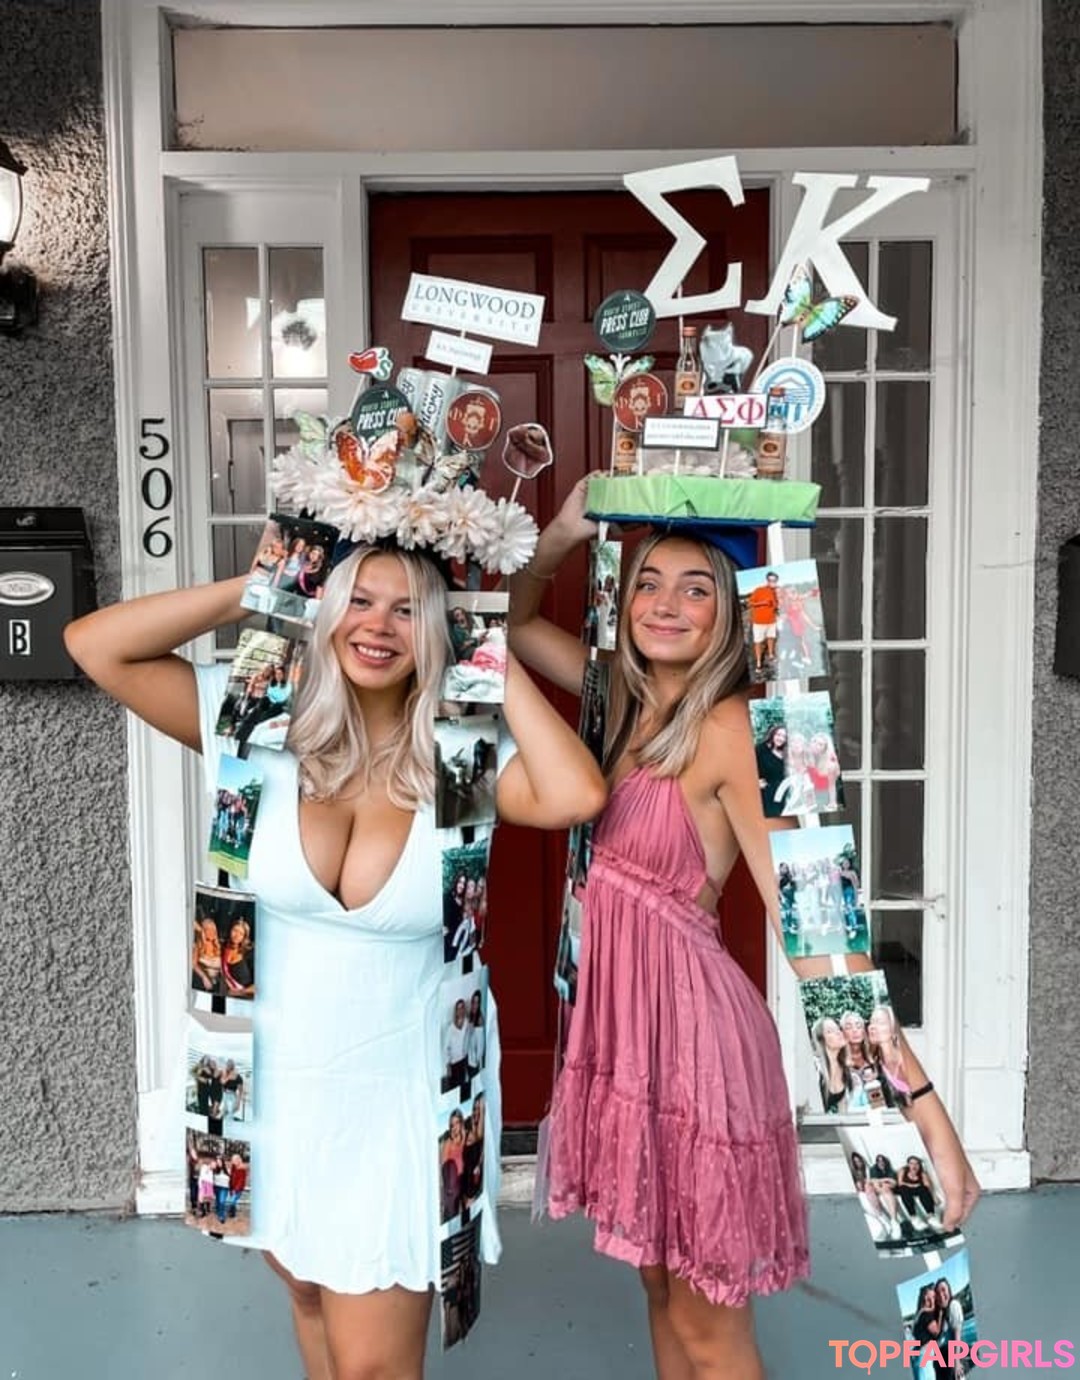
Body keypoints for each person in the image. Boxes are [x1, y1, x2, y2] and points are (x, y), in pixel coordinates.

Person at [64, 537, 606, 1380]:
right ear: (322, 609)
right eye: (359, 600)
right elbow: (95, 644)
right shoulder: (259, 727)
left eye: (408, 610)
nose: (379, 626)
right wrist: (265, 586)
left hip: (400, 1105)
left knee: (371, 1367)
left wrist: (487, 655)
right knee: (313, 1308)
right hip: (275, 1091)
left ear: (439, 628)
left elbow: (579, 793)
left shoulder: (460, 755)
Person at [507, 475, 978, 1378]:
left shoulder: (734, 732)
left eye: (696, 589)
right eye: (649, 583)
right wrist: (564, 531)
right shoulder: (618, 696)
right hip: (629, 1041)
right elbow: (519, 622)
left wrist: (923, 1113)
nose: (665, 605)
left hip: (696, 1047)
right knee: (659, 1290)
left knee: (709, 1329)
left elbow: (819, 939)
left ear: (731, 612)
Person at [745, 570, 780, 674]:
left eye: (775, 581)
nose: (773, 582)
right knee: (758, 642)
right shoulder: (759, 590)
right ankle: (759, 663)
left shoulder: (775, 592)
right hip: (759, 622)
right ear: (767, 581)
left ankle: (771, 655)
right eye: (771, 580)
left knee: (771, 638)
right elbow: (749, 603)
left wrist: (777, 610)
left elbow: (776, 606)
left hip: (772, 621)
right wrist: (762, 603)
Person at [755, 722, 788, 818]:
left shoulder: (786, 752)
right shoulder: (761, 749)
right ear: (773, 734)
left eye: (784, 736)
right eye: (778, 735)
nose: (781, 738)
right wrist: (755, 782)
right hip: (766, 794)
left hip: (781, 793)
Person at [221, 918, 255, 998]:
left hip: (245, 995)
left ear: (244, 937)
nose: (237, 935)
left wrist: (240, 992)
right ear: (230, 930)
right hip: (225, 992)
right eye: (235, 930)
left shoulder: (249, 952)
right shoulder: (222, 946)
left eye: (241, 934)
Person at [443, 998, 470, 1091]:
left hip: (465, 1060)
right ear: (456, 1011)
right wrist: (448, 1065)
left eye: (462, 1007)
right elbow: (445, 1048)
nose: (460, 1010)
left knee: (465, 1088)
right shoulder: (450, 1028)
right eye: (458, 1008)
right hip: (454, 1063)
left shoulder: (467, 1023)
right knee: (455, 1089)